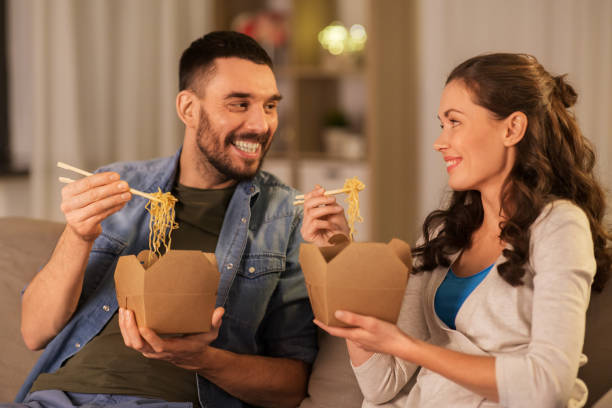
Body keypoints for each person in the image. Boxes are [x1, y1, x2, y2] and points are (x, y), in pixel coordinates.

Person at [11, 31, 317, 408]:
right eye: (240, 104)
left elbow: (292, 386)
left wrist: (201, 360)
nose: (261, 124)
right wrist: (77, 235)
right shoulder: (120, 184)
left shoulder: (283, 216)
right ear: (188, 109)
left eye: (270, 106)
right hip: (56, 399)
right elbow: (34, 331)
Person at [301, 53, 611, 407]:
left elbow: (548, 387)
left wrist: (409, 348)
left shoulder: (559, 225)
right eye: (441, 124)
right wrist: (342, 256)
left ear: (512, 128)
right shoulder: (444, 236)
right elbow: (381, 384)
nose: (440, 142)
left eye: (454, 122)